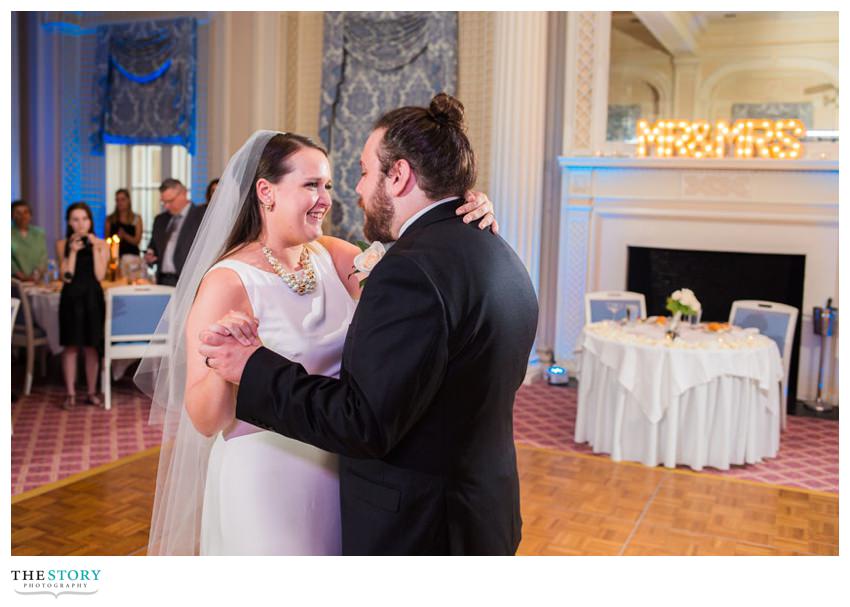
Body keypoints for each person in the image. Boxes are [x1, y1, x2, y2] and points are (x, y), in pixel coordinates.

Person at [200, 94, 539, 555]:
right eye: (312, 185)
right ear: (266, 191)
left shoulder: (386, 265)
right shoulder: (494, 250)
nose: (344, 194)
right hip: (284, 479)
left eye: (356, 175)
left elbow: (364, 421)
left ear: (398, 176)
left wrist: (253, 365)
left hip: (415, 512)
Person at [136, 129, 497, 555]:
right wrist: (229, 365)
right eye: (311, 185)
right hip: (268, 478)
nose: (325, 198)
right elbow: (204, 420)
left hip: (342, 465)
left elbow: (420, 282)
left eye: (326, 185)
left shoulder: (337, 256)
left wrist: (459, 219)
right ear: (266, 192)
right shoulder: (227, 283)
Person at [57, 202, 109, 410]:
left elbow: (100, 275)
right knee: (70, 346)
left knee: (91, 346)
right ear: (69, 222)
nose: (80, 224)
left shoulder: (102, 244)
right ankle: (70, 393)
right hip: (70, 297)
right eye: (76, 219)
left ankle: (91, 392)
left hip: (92, 297)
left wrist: (96, 247)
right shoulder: (63, 244)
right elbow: (66, 276)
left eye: (84, 219)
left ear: (90, 221)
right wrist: (73, 252)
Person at [144, 179, 206, 286]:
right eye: (164, 202)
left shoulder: (201, 217)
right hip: (162, 281)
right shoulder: (160, 220)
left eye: (170, 201)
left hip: (189, 282)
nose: (166, 206)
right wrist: (150, 255)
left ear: (184, 193)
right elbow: (153, 245)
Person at [11, 199, 48, 281]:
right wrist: (21, 276)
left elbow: (43, 256)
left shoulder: (39, 233)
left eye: (26, 212)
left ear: (30, 215)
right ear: (12, 216)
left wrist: (37, 273)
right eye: (18, 213)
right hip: (15, 282)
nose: (23, 216)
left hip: (37, 281)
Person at [105, 189, 143, 258]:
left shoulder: (136, 218)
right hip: (114, 257)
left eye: (123, 199)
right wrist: (116, 238)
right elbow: (107, 240)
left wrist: (125, 235)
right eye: (117, 200)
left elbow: (137, 241)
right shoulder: (110, 219)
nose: (120, 203)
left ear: (128, 200)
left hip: (132, 258)